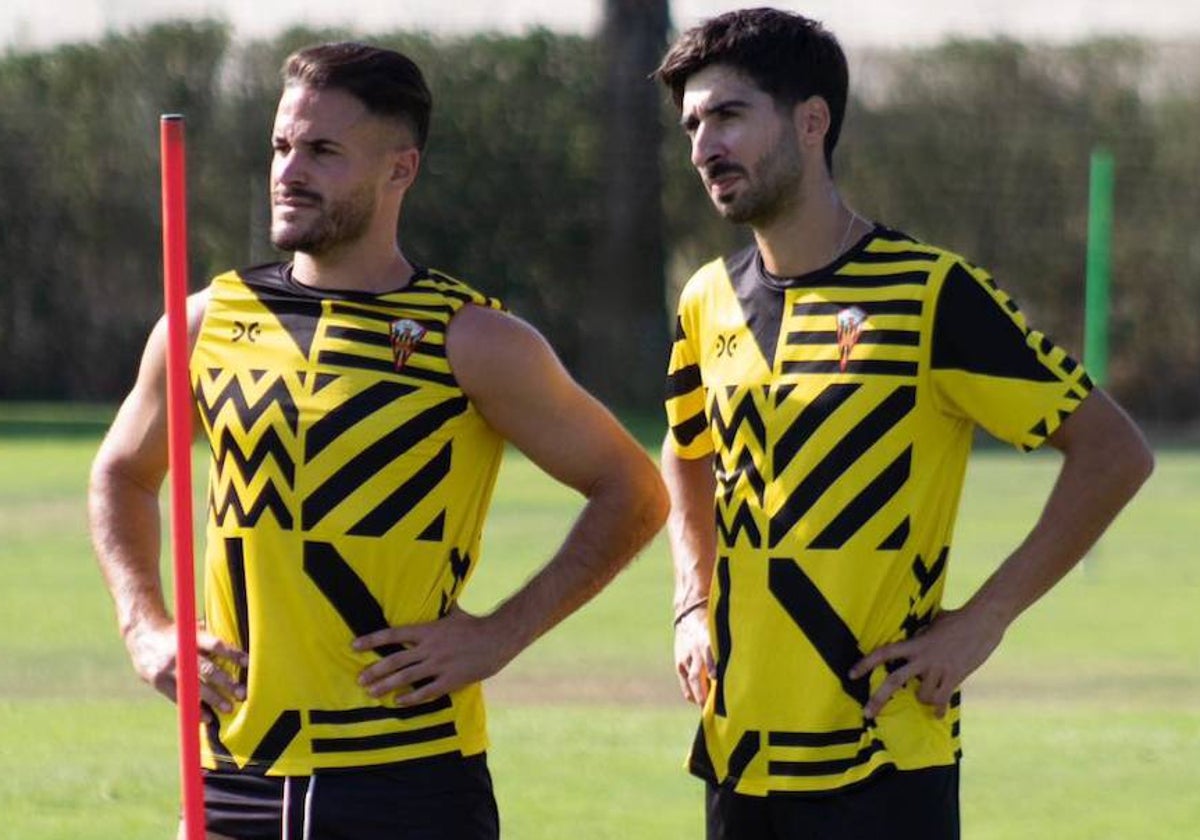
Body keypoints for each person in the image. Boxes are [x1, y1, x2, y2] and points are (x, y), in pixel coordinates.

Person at [88, 41, 668, 840]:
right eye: (282, 147)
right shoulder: (202, 324)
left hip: (409, 777)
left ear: (401, 169)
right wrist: (144, 625)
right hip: (233, 772)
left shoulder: (473, 339)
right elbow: (122, 473)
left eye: (323, 151)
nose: (290, 171)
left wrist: (500, 634)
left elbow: (634, 489)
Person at [653, 9, 1153, 839]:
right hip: (738, 751)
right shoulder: (705, 298)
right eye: (694, 124)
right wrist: (689, 600)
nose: (705, 145)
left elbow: (1113, 452)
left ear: (812, 121)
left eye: (730, 115)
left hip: (884, 756)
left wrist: (984, 619)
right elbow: (686, 448)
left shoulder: (931, 294)